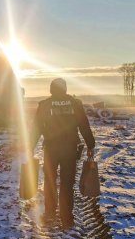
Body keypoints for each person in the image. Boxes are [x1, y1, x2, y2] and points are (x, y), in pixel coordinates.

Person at [30, 78, 95, 229]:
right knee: (67, 184)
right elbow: (84, 125)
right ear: (65, 89)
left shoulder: (45, 105)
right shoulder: (75, 104)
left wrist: (30, 146)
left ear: (51, 89)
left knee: (50, 182)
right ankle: (67, 219)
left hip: (51, 150)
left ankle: (50, 215)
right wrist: (90, 144)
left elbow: (36, 128)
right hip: (70, 150)